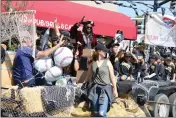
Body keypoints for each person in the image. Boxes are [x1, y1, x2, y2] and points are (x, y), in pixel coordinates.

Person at [85, 43, 118, 117]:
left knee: (101, 113)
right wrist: (84, 83)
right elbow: (88, 75)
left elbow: (112, 77)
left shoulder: (108, 62)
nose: (105, 52)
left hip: (105, 89)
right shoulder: (92, 62)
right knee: (96, 112)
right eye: (104, 51)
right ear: (99, 51)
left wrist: (115, 89)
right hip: (95, 89)